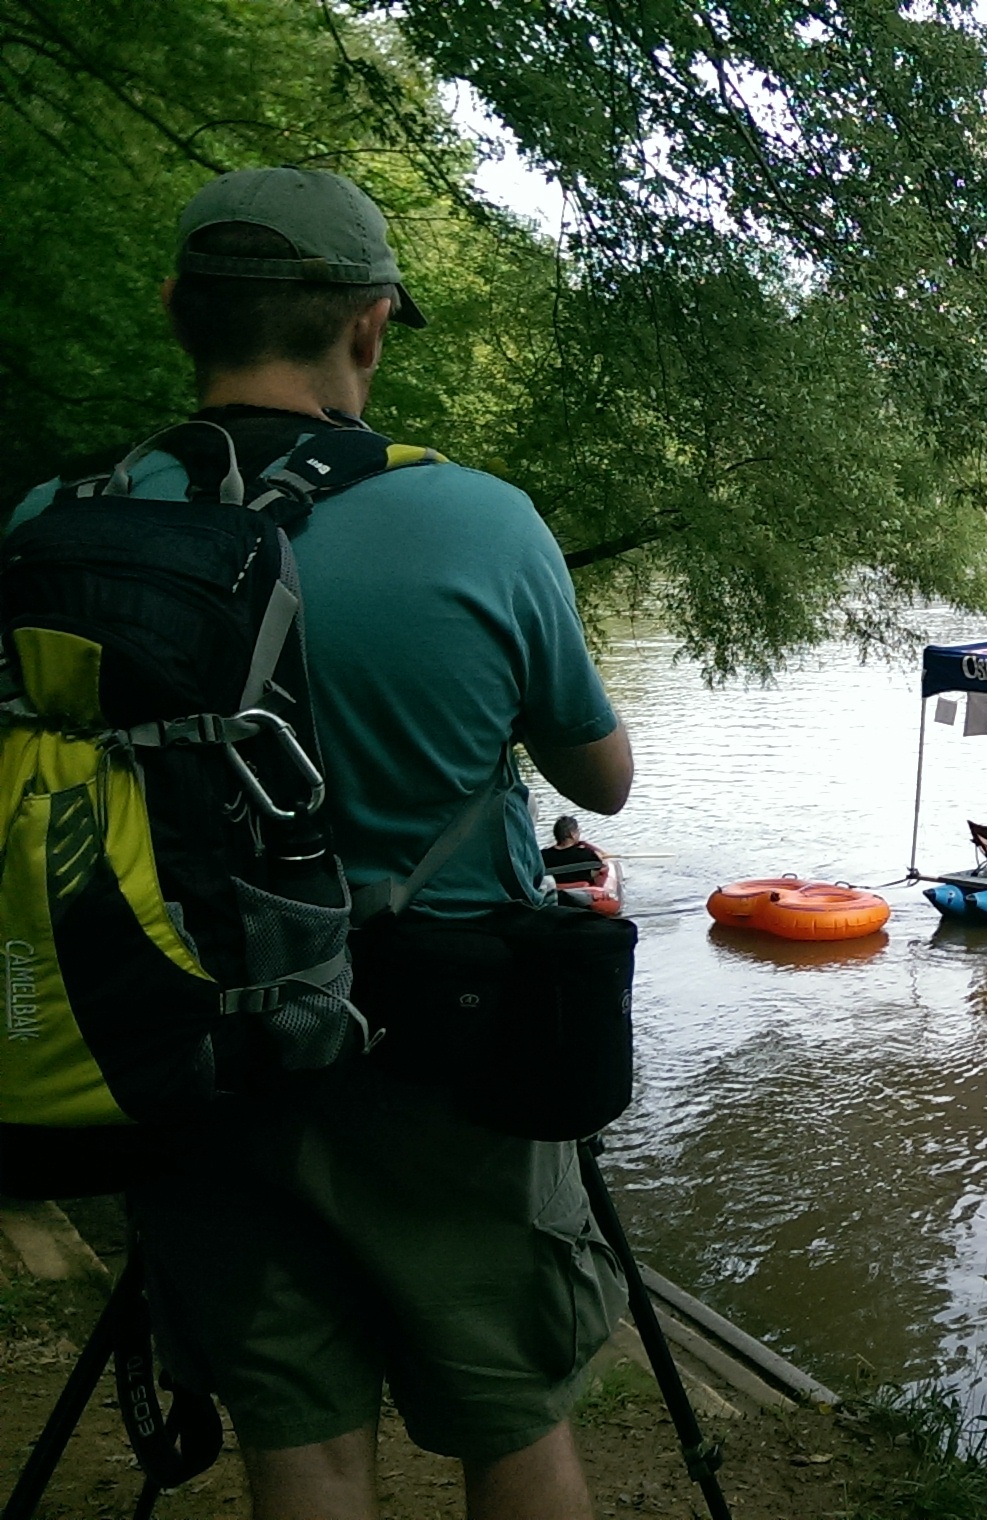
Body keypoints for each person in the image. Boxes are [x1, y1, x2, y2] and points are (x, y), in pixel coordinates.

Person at [16, 167, 636, 1520]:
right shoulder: (478, 520)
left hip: (183, 1048)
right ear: (368, 325)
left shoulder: (50, 529)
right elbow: (609, 777)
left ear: (184, 309)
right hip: (444, 1052)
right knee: (512, 1414)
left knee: (294, 1431)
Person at [541, 815, 608, 884]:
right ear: (572, 834)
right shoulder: (587, 854)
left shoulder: (542, 856)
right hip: (582, 893)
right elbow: (599, 874)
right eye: (578, 830)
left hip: (552, 891)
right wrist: (599, 858)